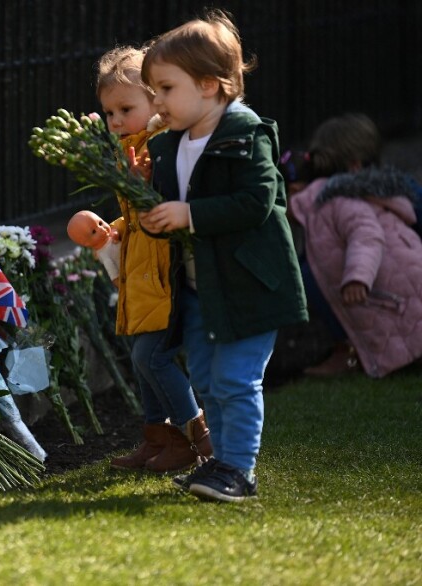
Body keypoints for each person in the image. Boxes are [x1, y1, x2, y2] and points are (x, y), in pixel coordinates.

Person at [137, 10, 307, 502]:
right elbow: (173, 206)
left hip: (248, 285)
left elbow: (257, 202)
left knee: (235, 378)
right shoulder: (170, 145)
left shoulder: (244, 134)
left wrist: (188, 215)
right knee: (209, 380)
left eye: (166, 88)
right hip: (200, 287)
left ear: (210, 85)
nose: (157, 101)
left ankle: (239, 471)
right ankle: (218, 463)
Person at [93, 46, 212, 474]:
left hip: (165, 270)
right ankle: (156, 437)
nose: (116, 121)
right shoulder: (130, 148)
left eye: (126, 108)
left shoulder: (161, 145)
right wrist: (116, 230)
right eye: (109, 113)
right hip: (140, 270)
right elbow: (136, 213)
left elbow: (166, 203)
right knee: (140, 355)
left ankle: (197, 434)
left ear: (155, 102)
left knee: (151, 356)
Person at [289, 113, 422, 378]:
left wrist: (358, 276)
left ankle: (347, 350)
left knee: (308, 274)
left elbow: (366, 235)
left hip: (381, 278)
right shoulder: (395, 186)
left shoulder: (336, 199)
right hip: (402, 273)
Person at [67, 210, 122, 283]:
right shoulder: (104, 254)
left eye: (100, 223)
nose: (102, 229)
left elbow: (118, 230)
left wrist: (116, 234)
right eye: (94, 231)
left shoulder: (111, 234)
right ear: (86, 243)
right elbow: (115, 276)